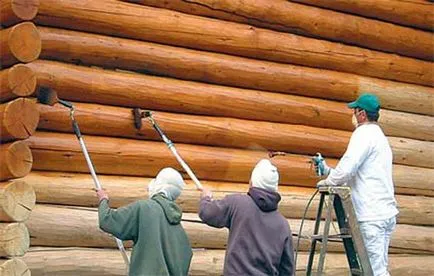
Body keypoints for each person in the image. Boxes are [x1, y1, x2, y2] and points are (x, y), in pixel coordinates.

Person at [317, 93, 399, 276]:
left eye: (354, 111)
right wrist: (328, 170)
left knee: (374, 272)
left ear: (362, 114)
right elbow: (358, 173)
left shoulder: (363, 134)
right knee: (379, 269)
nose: (352, 115)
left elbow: (347, 168)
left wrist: (328, 181)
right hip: (384, 213)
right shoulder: (379, 136)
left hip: (371, 214)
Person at [199, 159, 294, 276]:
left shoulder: (237, 204)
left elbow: (207, 213)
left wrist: (206, 198)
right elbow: (287, 270)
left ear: (252, 182)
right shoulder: (283, 225)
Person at [96, 167, 193, 276]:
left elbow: (107, 220)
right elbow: (186, 256)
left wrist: (103, 200)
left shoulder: (144, 208)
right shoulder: (179, 229)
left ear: (159, 184)